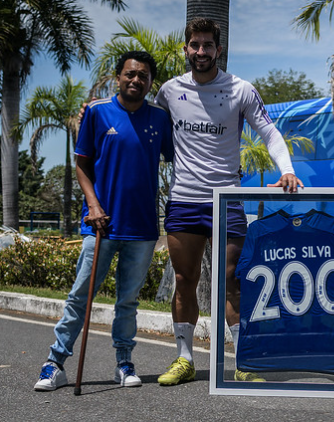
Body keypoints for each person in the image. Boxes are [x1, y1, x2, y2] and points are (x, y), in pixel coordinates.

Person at [154, 18, 303, 385]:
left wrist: (286, 169)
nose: (201, 51)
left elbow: (268, 132)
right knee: (184, 279)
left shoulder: (240, 90)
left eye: (208, 45)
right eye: (195, 45)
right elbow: (147, 130)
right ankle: (185, 359)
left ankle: (245, 361)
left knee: (232, 281)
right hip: (185, 200)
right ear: (186, 49)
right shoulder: (170, 92)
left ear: (218, 50)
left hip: (227, 199)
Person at [34, 51, 174, 391]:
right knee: (80, 296)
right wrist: (93, 206)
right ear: (118, 77)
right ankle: (55, 364)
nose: (136, 80)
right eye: (130, 74)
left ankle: (123, 363)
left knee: (127, 301)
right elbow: (82, 165)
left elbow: (178, 160)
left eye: (143, 76)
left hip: (141, 229)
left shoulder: (159, 117)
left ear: (150, 81)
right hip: (101, 225)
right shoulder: (97, 112)